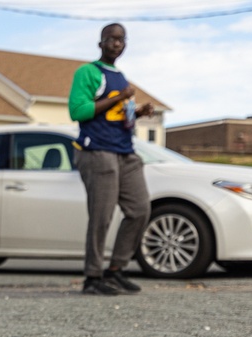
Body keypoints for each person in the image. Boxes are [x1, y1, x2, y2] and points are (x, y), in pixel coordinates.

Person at [68, 23, 155, 296]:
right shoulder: (88, 72)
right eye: (112, 39)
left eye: (122, 39)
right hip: (97, 151)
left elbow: (118, 117)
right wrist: (120, 96)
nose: (117, 43)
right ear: (101, 43)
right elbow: (78, 111)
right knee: (101, 216)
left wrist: (138, 113)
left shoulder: (120, 76)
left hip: (124, 151)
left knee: (140, 210)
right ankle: (92, 278)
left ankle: (116, 270)